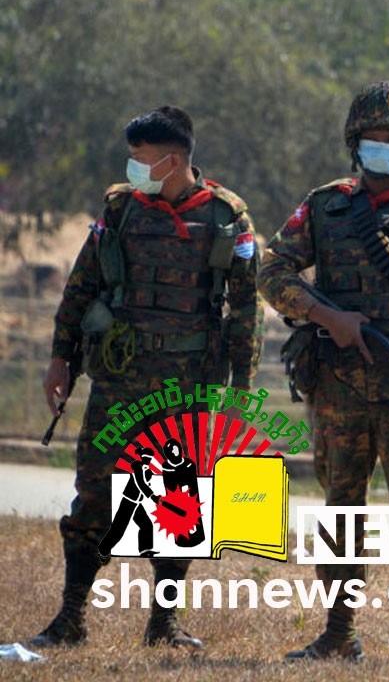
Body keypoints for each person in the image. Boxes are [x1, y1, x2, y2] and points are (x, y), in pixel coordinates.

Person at [34, 105, 262, 649]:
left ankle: (163, 625)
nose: (133, 168)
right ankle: (71, 618)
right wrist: (60, 357)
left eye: (142, 159)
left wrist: (242, 387)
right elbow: (80, 287)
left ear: (174, 160)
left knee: (177, 504)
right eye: (131, 158)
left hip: (186, 388)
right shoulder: (120, 210)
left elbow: (246, 309)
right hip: (119, 380)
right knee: (93, 494)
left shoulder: (228, 218)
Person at [257, 81, 389, 666]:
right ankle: (338, 634)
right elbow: (272, 271)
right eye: (375, 138)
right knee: (342, 509)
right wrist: (327, 314)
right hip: (339, 387)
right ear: (356, 143)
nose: (385, 148)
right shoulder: (325, 206)